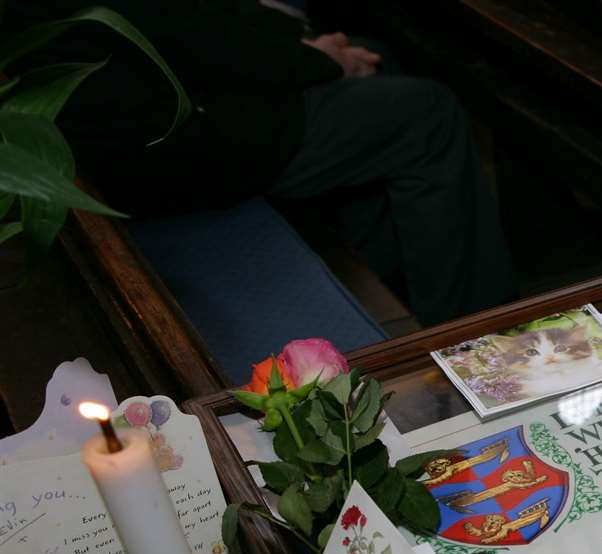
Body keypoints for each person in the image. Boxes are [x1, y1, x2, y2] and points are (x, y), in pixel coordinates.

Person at [8, 0, 514, 325]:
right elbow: (202, 40)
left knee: (378, 63)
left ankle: (391, 279)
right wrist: (319, 59)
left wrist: (300, 41)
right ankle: (474, 329)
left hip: (129, 116)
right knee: (426, 113)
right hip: (162, 149)